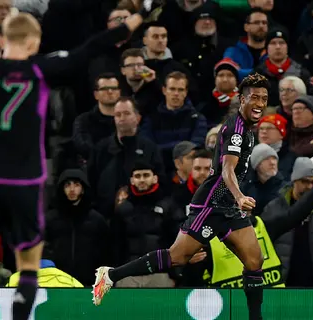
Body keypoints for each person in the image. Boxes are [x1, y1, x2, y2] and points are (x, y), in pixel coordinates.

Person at [0, 0, 161, 319]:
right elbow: (95, 45)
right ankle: (22, 308)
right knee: (29, 258)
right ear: (32, 42)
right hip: (22, 179)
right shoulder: (39, 69)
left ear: (3, 38)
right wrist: (142, 14)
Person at [92, 73, 271, 320]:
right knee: (177, 257)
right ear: (241, 99)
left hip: (228, 207)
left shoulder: (248, 128)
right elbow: (228, 169)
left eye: (264, 98)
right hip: (211, 204)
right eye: (254, 97)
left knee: (254, 261)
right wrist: (240, 196)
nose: (260, 103)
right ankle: (110, 275)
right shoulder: (236, 130)